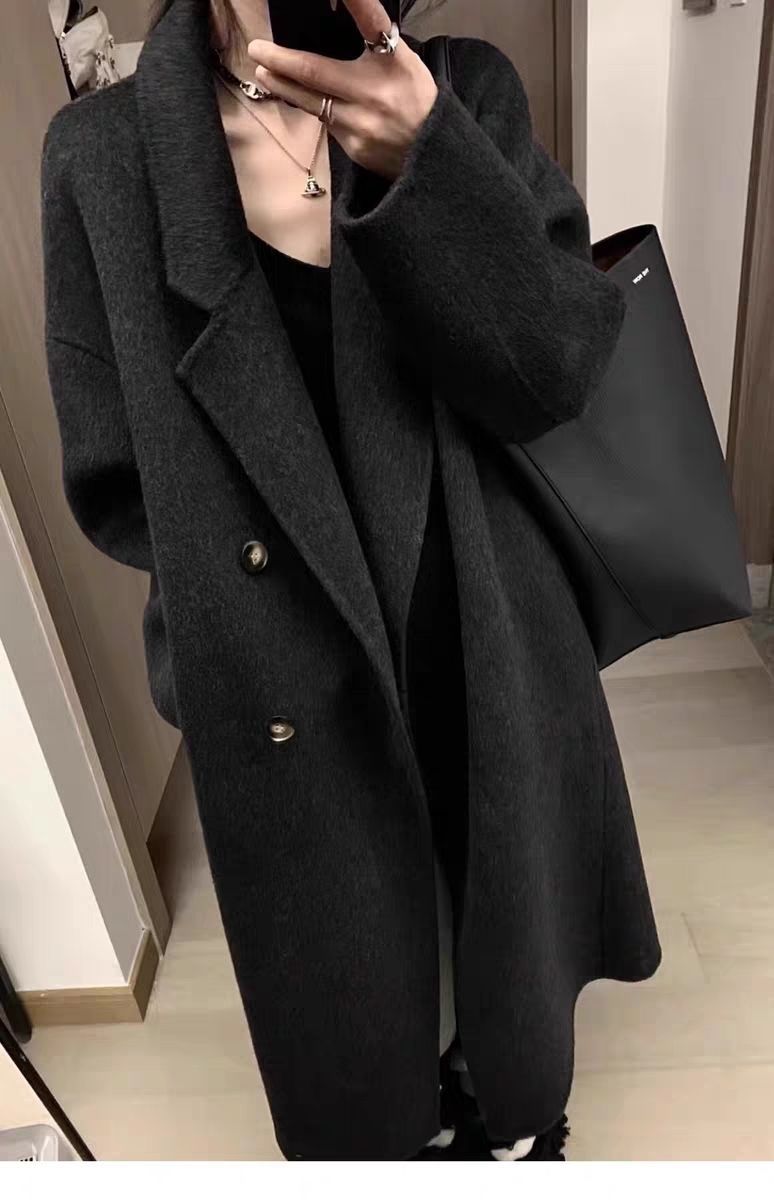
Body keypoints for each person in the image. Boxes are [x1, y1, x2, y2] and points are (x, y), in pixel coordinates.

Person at [40, 0, 662, 1162]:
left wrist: (434, 165)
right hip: (279, 663)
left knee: (499, 923)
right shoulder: (102, 158)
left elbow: (554, 374)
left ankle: (512, 1115)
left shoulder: (465, 91)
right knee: (356, 982)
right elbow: (113, 475)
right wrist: (213, 633)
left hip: (480, 622)